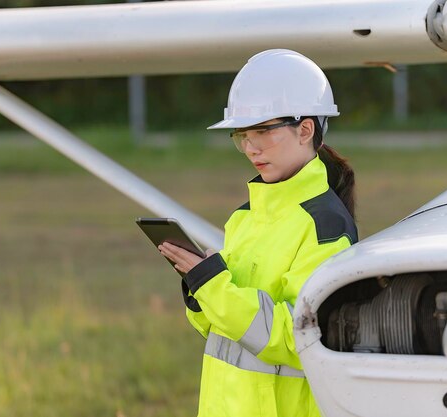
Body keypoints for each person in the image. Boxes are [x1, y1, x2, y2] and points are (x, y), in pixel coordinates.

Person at [159, 49, 358, 417]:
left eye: (263, 132)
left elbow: (298, 336)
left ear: (305, 129)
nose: (250, 148)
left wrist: (214, 286)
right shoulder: (244, 217)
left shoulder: (326, 228)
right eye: (242, 136)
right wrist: (198, 288)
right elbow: (220, 330)